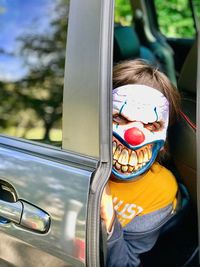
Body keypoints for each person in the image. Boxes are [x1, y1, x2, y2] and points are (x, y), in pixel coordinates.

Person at [101, 59, 181, 267]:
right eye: (119, 117)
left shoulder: (159, 191)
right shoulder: (77, 155)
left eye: (152, 124)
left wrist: (108, 218)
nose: (134, 136)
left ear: (163, 139)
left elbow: (126, 264)